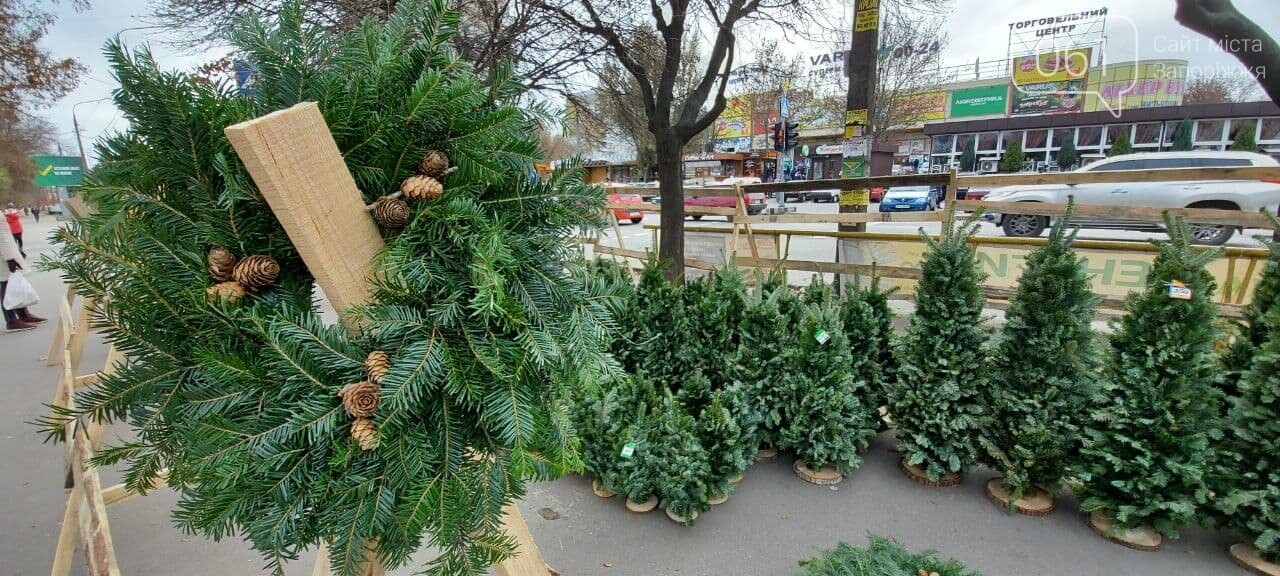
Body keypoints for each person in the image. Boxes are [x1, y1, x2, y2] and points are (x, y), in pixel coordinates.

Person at [1, 224, 44, 332]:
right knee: (7, 287)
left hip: (6, 253)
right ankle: (11, 320)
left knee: (12, 284)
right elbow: (1, 237)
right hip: (3, 255)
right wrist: (9, 257)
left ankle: (22, 314)